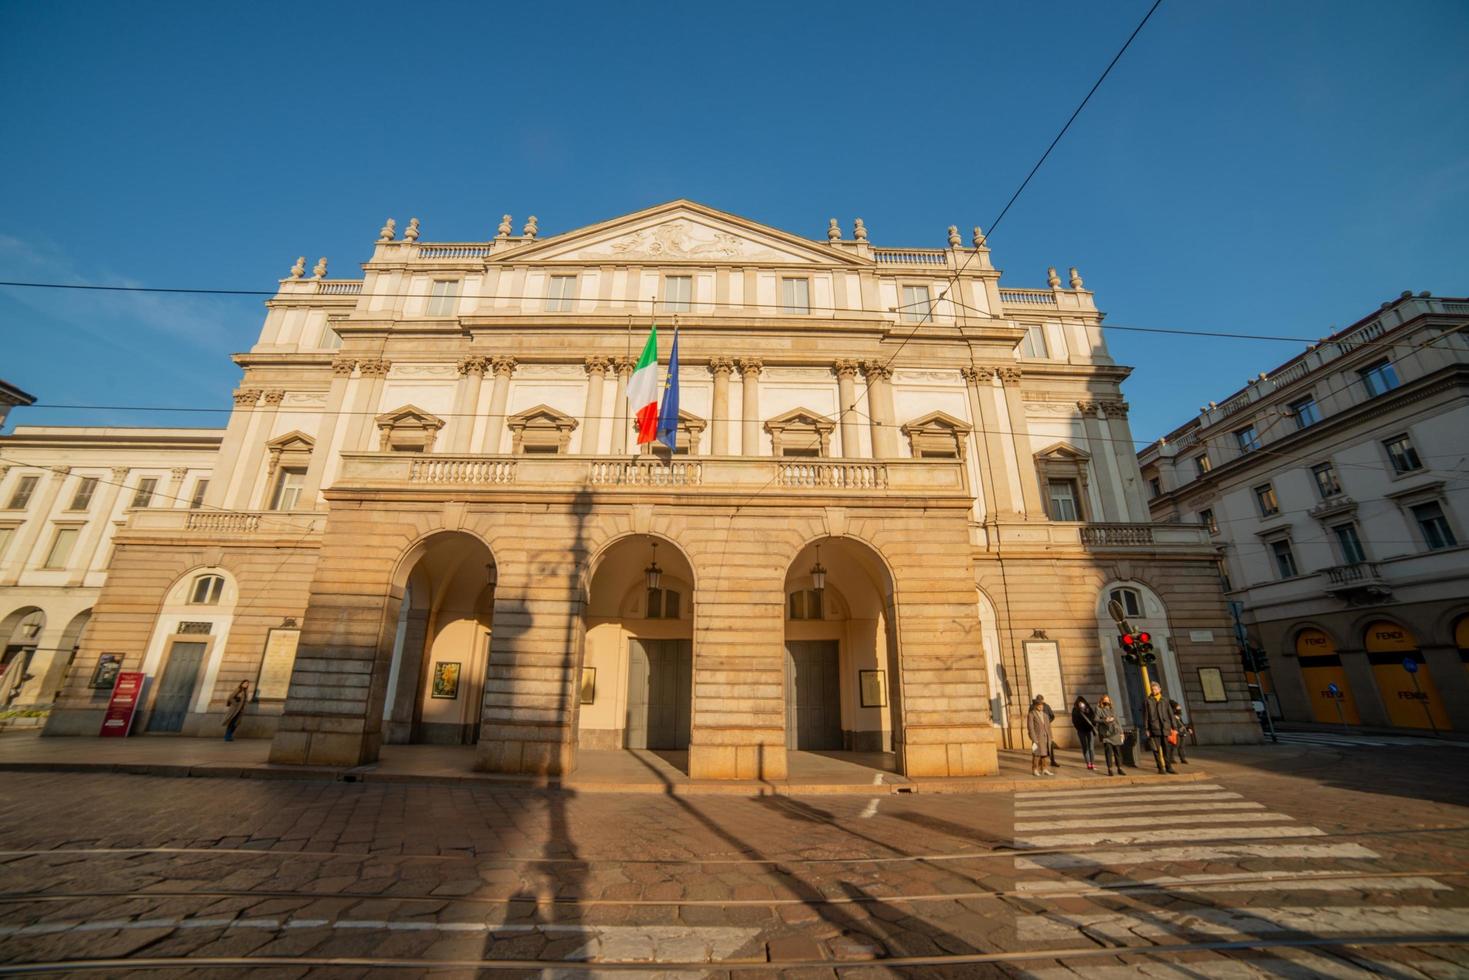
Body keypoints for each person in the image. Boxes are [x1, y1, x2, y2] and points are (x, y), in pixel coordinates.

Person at [1143, 681, 1178, 774]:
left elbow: (1170, 714)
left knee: (1167, 749)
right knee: (1156, 749)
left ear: (1159, 689)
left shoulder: (1165, 700)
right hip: (1154, 728)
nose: (1154, 691)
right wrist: (1146, 729)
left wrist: (1174, 727)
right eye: (1152, 689)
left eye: (1155, 689)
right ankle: (1160, 768)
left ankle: (1168, 767)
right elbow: (1146, 715)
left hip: (1165, 727)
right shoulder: (1148, 700)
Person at [1095, 695, 1126, 776]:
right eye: (1105, 700)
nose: (1106, 702)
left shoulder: (1113, 709)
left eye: (1108, 700)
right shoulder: (1099, 709)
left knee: (1117, 751)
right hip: (1106, 734)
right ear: (1102, 701)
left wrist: (1121, 732)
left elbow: (1117, 721)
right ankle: (1110, 769)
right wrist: (1105, 720)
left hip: (1115, 732)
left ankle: (1119, 768)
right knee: (1108, 752)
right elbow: (1096, 719)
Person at [1027, 695, 1054, 777]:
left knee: (1045, 754)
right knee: (1036, 754)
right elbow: (1030, 727)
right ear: (1035, 706)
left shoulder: (1045, 715)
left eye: (1041, 705)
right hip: (1037, 738)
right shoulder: (1032, 714)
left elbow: (1048, 727)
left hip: (1046, 737)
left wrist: (1051, 737)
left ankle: (1044, 769)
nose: (1040, 706)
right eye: (1038, 705)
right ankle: (1035, 769)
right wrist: (1034, 739)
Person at [1071, 696, 1097, 771]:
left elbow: (1093, 718)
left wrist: (1086, 712)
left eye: (1082, 703)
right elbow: (1074, 721)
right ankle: (1088, 763)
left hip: (1089, 730)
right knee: (1085, 747)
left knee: (1091, 747)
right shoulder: (1075, 710)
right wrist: (1078, 727)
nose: (1081, 704)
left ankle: (1092, 763)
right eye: (1079, 703)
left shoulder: (1088, 709)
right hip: (1081, 731)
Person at [1169, 699, 1191, 764]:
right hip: (1176, 732)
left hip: (1182, 731)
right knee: (1175, 745)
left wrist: (1188, 728)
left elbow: (1182, 723)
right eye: (1178, 707)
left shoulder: (1178, 715)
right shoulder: (1171, 715)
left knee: (1182, 746)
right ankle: (1171, 758)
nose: (1179, 708)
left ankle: (1183, 758)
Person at [1041, 699, 1059, 769]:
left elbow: (1052, 716)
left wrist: (1048, 722)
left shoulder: (1046, 706)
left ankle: (1053, 761)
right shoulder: (1032, 707)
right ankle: (1040, 763)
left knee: (1050, 745)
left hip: (1047, 729)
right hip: (1038, 731)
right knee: (1039, 747)